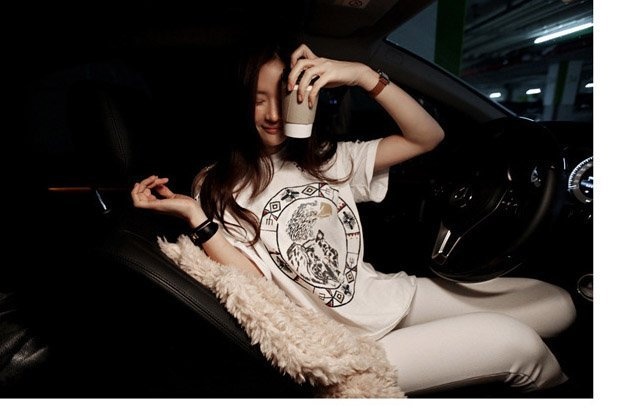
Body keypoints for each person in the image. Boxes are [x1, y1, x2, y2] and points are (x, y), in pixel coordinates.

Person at [131, 42, 576, 395]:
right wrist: (196, 215)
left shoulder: (328, 158)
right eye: (257, 100)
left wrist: (364, 75)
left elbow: (427, 137)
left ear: (303, 95)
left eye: (283, 96)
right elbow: (251, 283)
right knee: (517, 343)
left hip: (391, 295)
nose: (272, 114)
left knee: (559, 305)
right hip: (353, 345)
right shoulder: (218, 184)